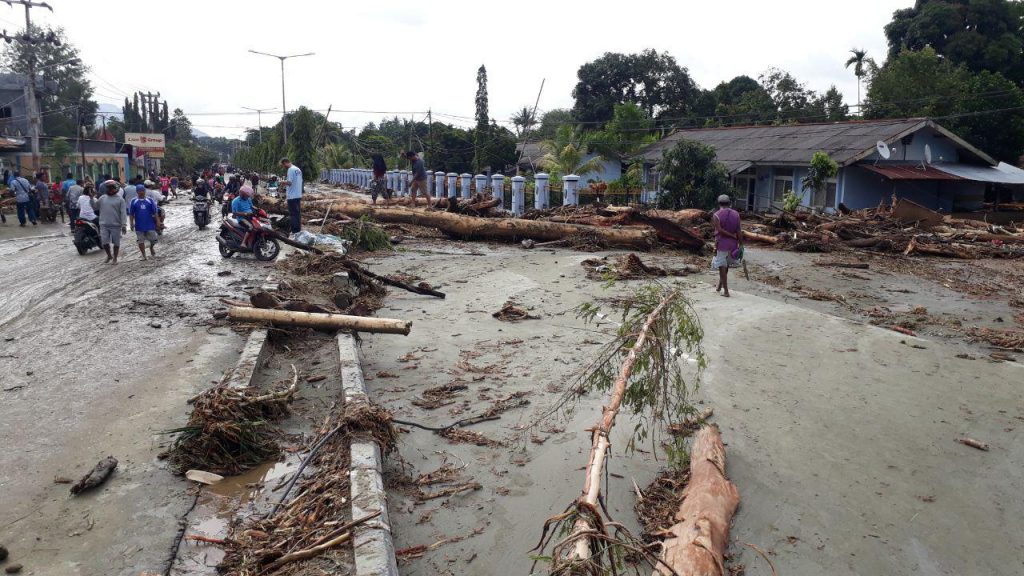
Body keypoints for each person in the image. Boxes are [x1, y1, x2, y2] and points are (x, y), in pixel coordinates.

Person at [711, 194, 743, 298]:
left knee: (721, 266)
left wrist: (730, 235)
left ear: (719, 203)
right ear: (729, 203)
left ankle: (726, 291)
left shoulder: (716, 215)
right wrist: (741, 243)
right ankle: (720, 286)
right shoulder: (736, 214)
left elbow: (719, 230)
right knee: (726, 265)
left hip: (721, 243)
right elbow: (739, 230)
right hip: (733, 244)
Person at [96, 180, 127, 264]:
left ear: (115, 189)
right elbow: (95, 207)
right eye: (109, 188)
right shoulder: (102, 198)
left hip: (116, 225)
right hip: (103, 224)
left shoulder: (120, 200)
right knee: (104, 242)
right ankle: (109, 255)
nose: (110, 190)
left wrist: (124, 225)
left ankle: (115, 258)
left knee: (116, 243)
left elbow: (123, 213)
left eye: (112, 188)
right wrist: (91, 198)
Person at [129, 184, 162, 260]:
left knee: (153, 240)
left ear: (145, 191)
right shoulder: (134, 201)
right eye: (140, 191)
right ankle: (144, 255)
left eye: (143, 190)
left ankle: (151, 248)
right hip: (139, 225)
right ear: (137, 192)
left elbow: (155, 212)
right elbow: (131, 214)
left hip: (149, 224)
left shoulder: (150, 200)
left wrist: (158, 222)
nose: (141, 192)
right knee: (140, 241)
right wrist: (131, 224)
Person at [279, 158, 303, 235]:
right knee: (297, 213)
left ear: (285, 163)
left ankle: (295, 231)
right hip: (298, 195)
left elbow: (289, 182)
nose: (283, 167)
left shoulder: (290, 169)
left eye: (283, 165)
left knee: (293, 214)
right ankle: (298, 230)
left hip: (292, 196)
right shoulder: (298, 169)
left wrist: (282, 182)